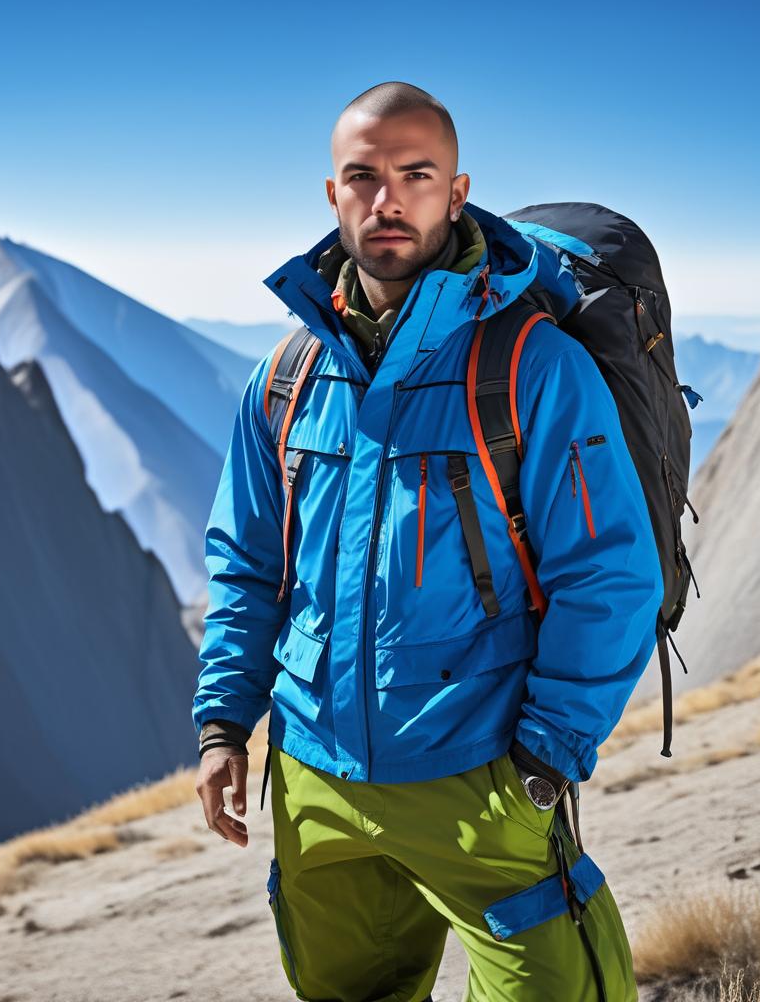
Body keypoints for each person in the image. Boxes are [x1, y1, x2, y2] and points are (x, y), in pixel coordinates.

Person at [193, 81, 663, 1002]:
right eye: (362, 176)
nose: (386, 199)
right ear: (331, 195)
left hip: (481, 774)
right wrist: (222, 724)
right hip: (314, 781)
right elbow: (245, 567)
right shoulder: (285, 378)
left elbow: (609, 575)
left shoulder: (533, 365)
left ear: (457, 190)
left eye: (416, 174)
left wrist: (542, 760)